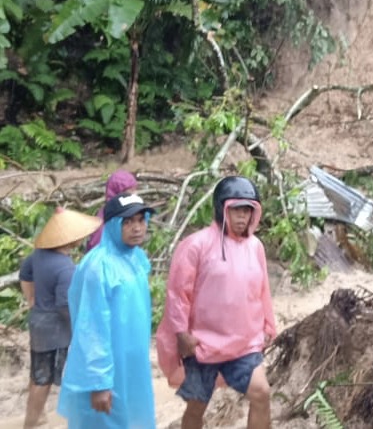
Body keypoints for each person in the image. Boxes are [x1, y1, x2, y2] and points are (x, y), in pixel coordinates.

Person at [156, 176, 276, 429]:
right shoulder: (196, 245)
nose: (242, 216)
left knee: (261, 393)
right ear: (222, 208)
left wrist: (268, 325)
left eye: (247, 210)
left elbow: (263, 289)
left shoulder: (256, 247)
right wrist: (181, 333)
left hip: (244, 344)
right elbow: (178, 293)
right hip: (202, 343)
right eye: (236, 210)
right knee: (197, 406)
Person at [58, 193, 156, 429]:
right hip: (107, 371)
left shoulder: (137, 258)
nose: (137, 228)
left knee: (131, 420)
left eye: (141, 220)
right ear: (113, 224)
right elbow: (91, 327)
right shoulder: (98, 266)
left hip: (132, 366)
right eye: (128, 222)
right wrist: (99, 382)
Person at [19, 208, 101, 428]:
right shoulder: (66, 268)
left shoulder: (37, 255)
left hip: (37, 321)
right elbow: (64, 305)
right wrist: (79, 327)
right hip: (53, 330)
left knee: (37, 371)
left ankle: (37, 415)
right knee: (43, 379)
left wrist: (31, 299)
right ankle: (31, 422)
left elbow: (24, 274)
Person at [87, 170, 138, 251]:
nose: (135, 195)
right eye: (130, 192)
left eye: (135, 190)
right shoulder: (106, 220)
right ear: (118, 193)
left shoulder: (126, 215)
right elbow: (95, 251)